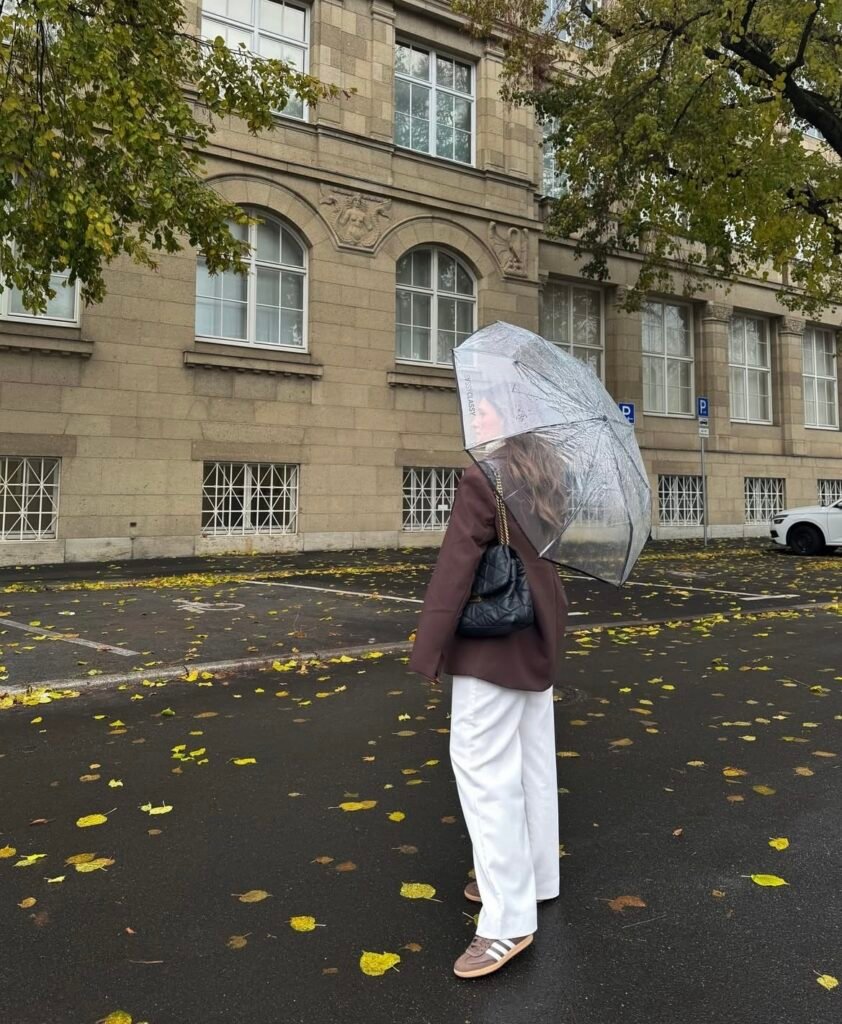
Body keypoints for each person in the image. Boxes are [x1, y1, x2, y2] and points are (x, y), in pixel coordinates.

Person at [408, 391, 569, 980]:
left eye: (485, 408)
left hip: (492, 642)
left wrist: (429, 650)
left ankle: (506, 921)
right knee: (532, 766)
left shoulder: (484, 477)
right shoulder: (546, 473)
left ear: (515, 413)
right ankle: (537, 880)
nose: (473, 416)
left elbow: (456, 566)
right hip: (536, 635)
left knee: (481, 771)